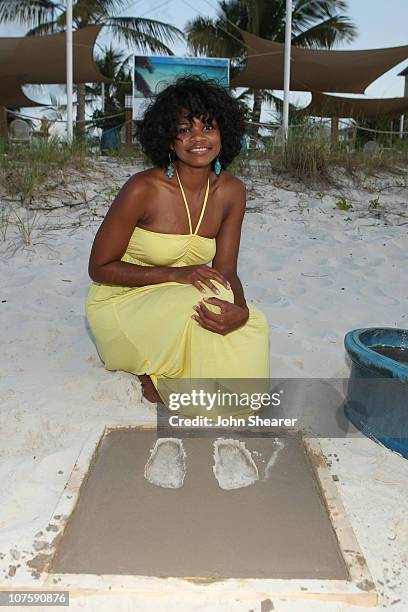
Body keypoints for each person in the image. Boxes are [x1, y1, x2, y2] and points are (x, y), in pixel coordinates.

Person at [86, 76, 270, 418]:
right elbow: (99, 267)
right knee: (199, 302)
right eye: (185, 129)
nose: (198, 137)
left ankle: (179, 371)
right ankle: (153, 370)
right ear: (169, 138)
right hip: (121, 301)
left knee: (245, 320)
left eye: (209, 127)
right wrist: (175, 273)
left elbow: (227, 271)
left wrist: (241, 310)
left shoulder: (232, 191)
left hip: (184, 295)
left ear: (223, 134)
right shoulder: (143, 188)